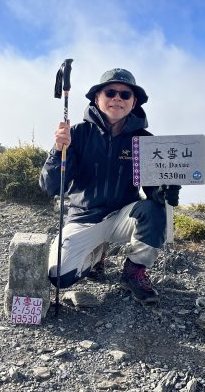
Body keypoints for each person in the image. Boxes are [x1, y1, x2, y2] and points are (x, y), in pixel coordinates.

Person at [39, 68, 180, 304]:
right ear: (97, 98)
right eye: (110, 92)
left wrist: (165, 190)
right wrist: (57, 151)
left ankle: (134, 271)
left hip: (122, 217)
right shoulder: (77, 134)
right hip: (83, 217)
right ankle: (95, 254)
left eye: (125, 95)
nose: (117, 98)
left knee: (155, 211)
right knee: (58, 276)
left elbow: (153, 192)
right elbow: (50, 186)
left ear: (134, 102)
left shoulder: (145, 141)